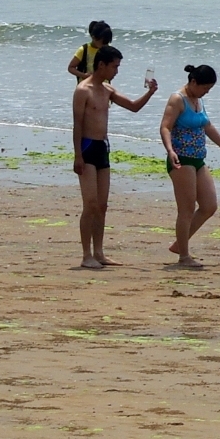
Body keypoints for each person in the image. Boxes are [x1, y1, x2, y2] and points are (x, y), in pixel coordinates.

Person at [69, 45, 157, 270]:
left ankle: (99, 252)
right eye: (114, 66)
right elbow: (77, 124)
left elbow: (133, 107)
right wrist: (78, 155)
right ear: (102, 65)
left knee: (102, 205)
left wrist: (150, 92)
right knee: (89, 204)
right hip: (87, 147)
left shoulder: (108, 90)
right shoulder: (83, 90)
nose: (117, 71)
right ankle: (86, 254)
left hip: (103, 148)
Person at [157, 63, 220, 269]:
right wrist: (170, 150)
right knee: (186, 209)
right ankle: (184, 256)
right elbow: (165, 127)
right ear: (193, 82)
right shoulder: (178, 99)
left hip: (198, 158)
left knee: (209, 206)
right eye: (205, 88)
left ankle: (180, 243)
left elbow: (207, 126)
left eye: (209, 89)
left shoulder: (198, 100)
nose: (206, 92)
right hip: (181, 159)